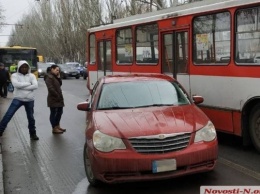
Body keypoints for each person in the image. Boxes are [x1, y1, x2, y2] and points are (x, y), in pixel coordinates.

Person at [0, 60, 39, 140]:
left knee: (31, 117)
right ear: (19, 68)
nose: (24, 69)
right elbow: (16, 85)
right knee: (8, 115)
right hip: (18, 98)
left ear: (28, 68)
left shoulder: (32, 75)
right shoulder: (14, 75)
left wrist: (21, 86)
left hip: (29, 99)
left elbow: (35, 86)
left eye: (25, 67)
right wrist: (29, 84)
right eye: (22, 67)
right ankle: (0, 131)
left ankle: (33, 134)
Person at [44, 65, 66, 134]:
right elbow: (50, 88)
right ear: (52, 69)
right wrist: (57, 95)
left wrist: (59, 77)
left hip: (59, 98)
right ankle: (54, 128)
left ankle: (57, 126)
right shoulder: (49, 77)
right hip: (53, 98)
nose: (58, 71)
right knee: (54, 113)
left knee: (60, 112)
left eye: (58, 70)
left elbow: (60, 84)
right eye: (56, 70)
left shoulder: (55, 76)